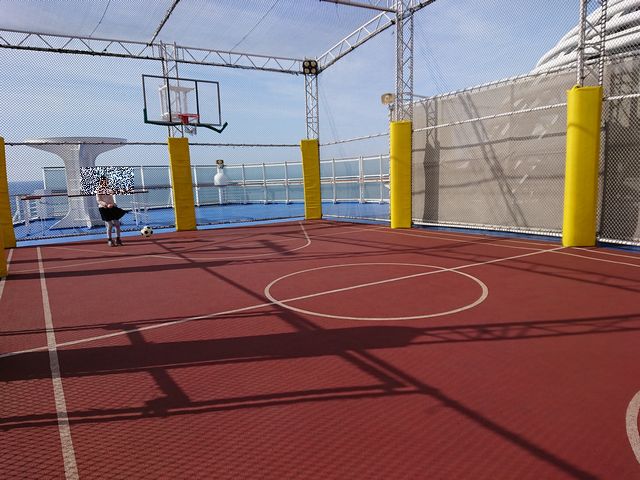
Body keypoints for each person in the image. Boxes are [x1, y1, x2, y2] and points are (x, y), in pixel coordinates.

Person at [96, 176, 126, 247]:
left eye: (107, 181)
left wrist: (113, 204)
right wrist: (106, 205)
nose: (106, 182)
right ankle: (109, 240)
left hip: (112, 207)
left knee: (117, 224)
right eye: (104, 181)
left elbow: (116, 192)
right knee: (109, 225)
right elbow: (99, 200)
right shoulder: (99, 190)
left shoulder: (109, 189)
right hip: (104, 208)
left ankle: (118, 239)